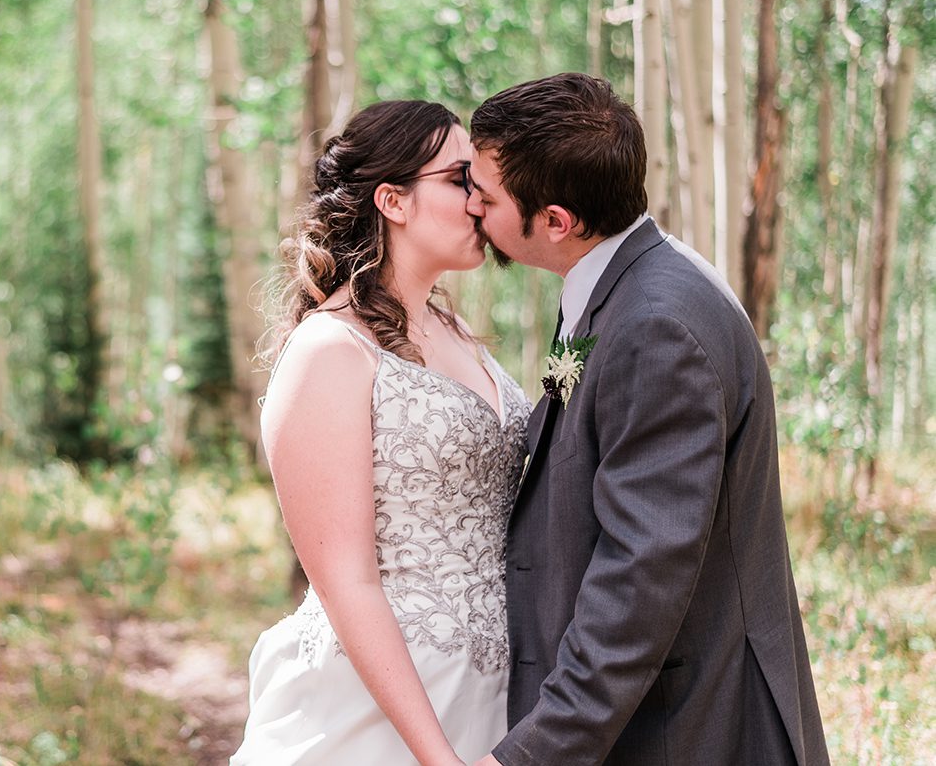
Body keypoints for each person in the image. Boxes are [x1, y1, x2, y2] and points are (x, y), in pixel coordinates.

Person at [465, 73, 829, 766]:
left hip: (691, 726)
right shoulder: (617, 285)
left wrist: (534, 752)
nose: (473, 209)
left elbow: (641, 577)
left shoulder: (656, 326)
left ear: (556, 220)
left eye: (486, 197)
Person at [231, 100, 528, 765]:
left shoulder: (455, 334)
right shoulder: (328, 352)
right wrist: (438, 757)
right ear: (393, 199)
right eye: (460, 180)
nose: (480, 201)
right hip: (381, 711)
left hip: (495, 694)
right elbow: (346, 580)